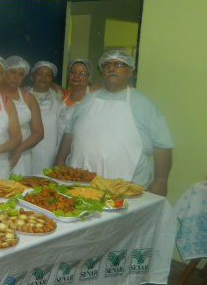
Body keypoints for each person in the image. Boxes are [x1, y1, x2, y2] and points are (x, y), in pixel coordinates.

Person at [55, 50, 173, 196]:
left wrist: (160, 181)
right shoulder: (88, 99)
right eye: (107, 65)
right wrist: (59, 163)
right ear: (102, 71)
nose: (111, 68)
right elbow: (69, 133)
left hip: (125, 187)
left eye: (118, 64)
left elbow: (162, 145)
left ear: (130, 71)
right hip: (79, 183)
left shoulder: (143, 103)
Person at [0, 56, 43, 176]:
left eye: (21, 74)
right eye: (12, 72)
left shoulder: (28, 98)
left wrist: (18, 149)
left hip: (21, 156)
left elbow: (38, 132)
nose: (16, 77)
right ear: (3, 72)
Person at [26, 61, 62, 174]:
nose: (43, 78)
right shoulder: (23, 94)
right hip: (26, 149)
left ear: (52, 79)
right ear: (32, 76)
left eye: (48, 75)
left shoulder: (59, 95)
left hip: (50, 151)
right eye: (40, 73)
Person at [57, 58, 94, 145]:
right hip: (60, 149)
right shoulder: (63, 95)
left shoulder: (94, 97)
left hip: (82, 150)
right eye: (73, 72)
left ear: (89, 77)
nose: (76, 76)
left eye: (82, 73)